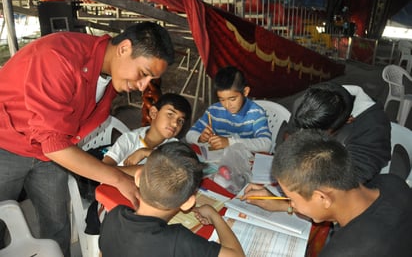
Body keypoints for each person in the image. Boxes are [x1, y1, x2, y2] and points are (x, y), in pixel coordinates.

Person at [0, 21, 174, 256]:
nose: (143, 87)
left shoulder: (111, 77)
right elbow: (55, 145)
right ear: (124, 48)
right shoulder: (58, 57)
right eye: (143, 74)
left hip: (48, 152)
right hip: (6, 142)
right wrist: (118, 178)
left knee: (57, 224)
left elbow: (56, 142)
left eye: (150, 80)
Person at [242, 129, 412, 257]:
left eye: (292, 198)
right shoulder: (392, 182)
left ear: (322, 197)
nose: (291, 203)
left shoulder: (343, 250)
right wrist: (285, 205)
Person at [99, 141, 245, 257]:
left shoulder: (114, 215)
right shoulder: (177, 241)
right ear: (188, 203)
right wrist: (214, 215)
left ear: (137, 178)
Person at [286, 82, 391, 184]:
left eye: (318, 133)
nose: (308, 135)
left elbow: (352, 178)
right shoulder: (306, 104)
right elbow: (289, 136)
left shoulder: (373, 126)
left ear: (348, 120)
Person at [185, 66, 271, 153]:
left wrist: (230, 142)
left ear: (245, 92)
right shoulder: (214, 111)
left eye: (232, 99)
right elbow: (189, 135)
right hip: (218, 159)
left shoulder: (256, 113)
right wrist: (200, 138)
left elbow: (266, 144)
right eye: (222, 99)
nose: (227, 105)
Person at [103, 93, 192, 176]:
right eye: (170, 114)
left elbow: (180, 169)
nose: (175, 124)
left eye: (180, 121)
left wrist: (145, 152)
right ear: (154, 113)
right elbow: (104, 170)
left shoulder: (173, 144)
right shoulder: (129, 139)